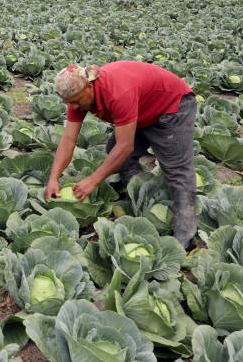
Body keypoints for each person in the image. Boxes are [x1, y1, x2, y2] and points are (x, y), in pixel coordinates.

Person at [43, 61, 198, 249]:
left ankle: (185, 240)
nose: (74, 106)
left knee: (178, 171)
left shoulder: (117, 92)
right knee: (114, 151)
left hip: (173, 106)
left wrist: (93, 180)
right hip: (142, 110)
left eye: (76, 100)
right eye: (69, 103)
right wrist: (53, 178)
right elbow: (68, 140)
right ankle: (142, 196)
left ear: (90, 86)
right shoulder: (75, 97)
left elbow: (125, 147)